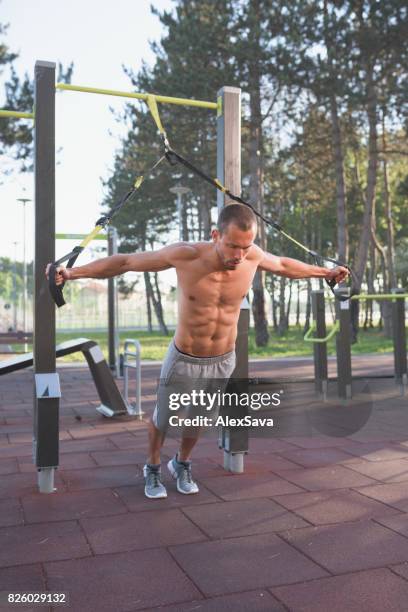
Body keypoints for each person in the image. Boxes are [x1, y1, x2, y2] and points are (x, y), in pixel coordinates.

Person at [46, 204, 349, 499]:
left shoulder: (251, 256)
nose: (239, 255)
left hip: (222, 359)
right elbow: (125, 262)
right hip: (184, 357)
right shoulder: (186, 255)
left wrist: (326, 272)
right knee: (164, 418)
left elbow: (283, 265)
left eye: (246, 247)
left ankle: (181, 463)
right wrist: (72, 274)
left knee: (199, 419)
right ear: (216, 235)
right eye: (232, 246)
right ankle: (152, 466)